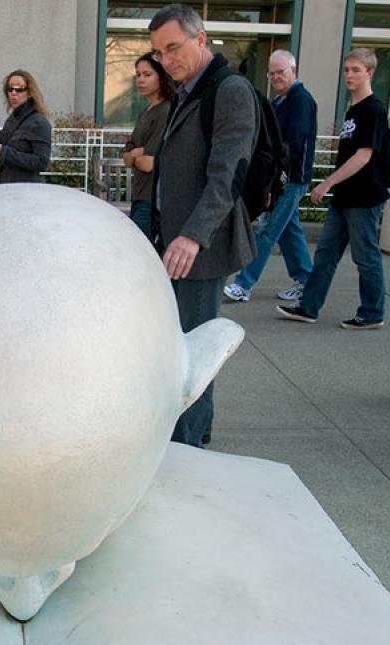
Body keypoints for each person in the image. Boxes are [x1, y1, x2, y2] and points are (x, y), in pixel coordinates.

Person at [149, 3, 258, 447]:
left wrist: (193, 235)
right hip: (178, 240)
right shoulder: (189, 89)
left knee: (192, 354)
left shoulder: (228, 90)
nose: (166, 60)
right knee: (180, 344)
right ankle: (192, 435)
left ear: (200, 38)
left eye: (173, 48)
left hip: (202, 247)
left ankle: (187, 450)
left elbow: (228, 176)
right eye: (159, 53)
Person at [277, 48, 388, 329]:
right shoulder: (353, 110)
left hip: (364, 198)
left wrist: (327, 182)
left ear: (370, 73)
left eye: (356, 70)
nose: (349, 75)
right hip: (344, 198)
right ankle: (309, 307)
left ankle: (372, 313)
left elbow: (364, 155)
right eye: (347, 69)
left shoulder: (373, 109)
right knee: (325, 254)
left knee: (366, 257)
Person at [223, 49, 315, 304]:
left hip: (291, 178)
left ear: (293, 71)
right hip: (281, 177)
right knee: (288, 230)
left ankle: (243, 283)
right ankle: (307, 279)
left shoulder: (300, 101)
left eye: (280, 72)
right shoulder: (280, 101)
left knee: (267, 229)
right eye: (271, 73)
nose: (275, 77)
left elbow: (293, 144)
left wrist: (279, 174)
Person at [122, 52, 173, 239]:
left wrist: (136, 154)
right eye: (138, 74)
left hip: (152, 198)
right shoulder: (145, 112)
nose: (140, 80)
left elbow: (149, 163)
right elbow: (128, 155)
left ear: (161, 76)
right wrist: (136, 153)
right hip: (138, 194)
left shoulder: (166, 111)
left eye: (147, 74)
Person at [0, 70, 52, 184]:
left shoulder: (39, 123)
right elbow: (2, 147)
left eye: (19, 89)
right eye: (10, 89)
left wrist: (3, 152)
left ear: (29, 93)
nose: (13, 93)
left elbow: (41, 163)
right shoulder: (13, 119)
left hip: (27, 189)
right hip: (7, 185)